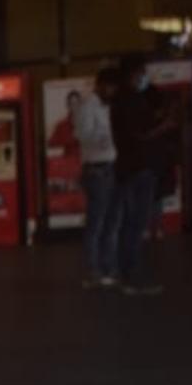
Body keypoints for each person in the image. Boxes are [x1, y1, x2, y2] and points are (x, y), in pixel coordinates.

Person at [108, 55, 175, 296]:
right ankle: (132, 275)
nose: (145, 76)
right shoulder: (131, 101)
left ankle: (126, 273)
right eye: (142, 72)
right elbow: (141, 133)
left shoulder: (121, 100)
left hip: (129, 168)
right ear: (134, 73)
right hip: (139, 167)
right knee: (135, 224)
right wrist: (162, 127)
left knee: (130, 224)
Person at [73, 68, 120, 287]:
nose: (113, 91)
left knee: (111, 221)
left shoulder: (107, 106)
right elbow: (84, 136)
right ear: (100, 85)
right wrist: (107, 135)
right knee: (97, 222)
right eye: (110, 87)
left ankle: (107, 268)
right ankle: (93, 270)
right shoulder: (87, 105)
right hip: (96, 169)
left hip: (111, 166)